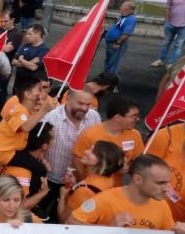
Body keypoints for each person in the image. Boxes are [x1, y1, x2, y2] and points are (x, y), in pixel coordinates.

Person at [41, 89, 101, 219]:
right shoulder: (51, 117)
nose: (85, 108)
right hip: (53, 177)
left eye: (88, 104)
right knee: (45, 214)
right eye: (80, 103)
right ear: (67, 98)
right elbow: (40, 145)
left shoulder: (94, 117)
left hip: (80, 180)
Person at [71, 95, 144, 181]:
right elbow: (77, 162)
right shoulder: (90, 134)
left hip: (114, 190)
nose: (138, 119)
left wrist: (129, 168)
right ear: (118, 117)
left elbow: (138, 160)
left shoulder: (135, 135)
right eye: (133, 116)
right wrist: (85, 183)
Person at [57, 140, 125, 221]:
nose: (86, 151)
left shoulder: (83, 191)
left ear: (102, 162)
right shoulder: (110, 179)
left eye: (92, 152)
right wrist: (76, 185)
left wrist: (62, 196)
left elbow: (63, 220)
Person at [103, 0, 136, 74]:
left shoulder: (130, 19)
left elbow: (126, 34)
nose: (120, 7)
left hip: (116, 43)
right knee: (108, 60)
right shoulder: (122, 17)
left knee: (114, 63)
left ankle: (109, 80)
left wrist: (118, 43)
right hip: (110, 41)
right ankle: (105, 76)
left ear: (127, 9)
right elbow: (116, 26)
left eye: (122, 6)